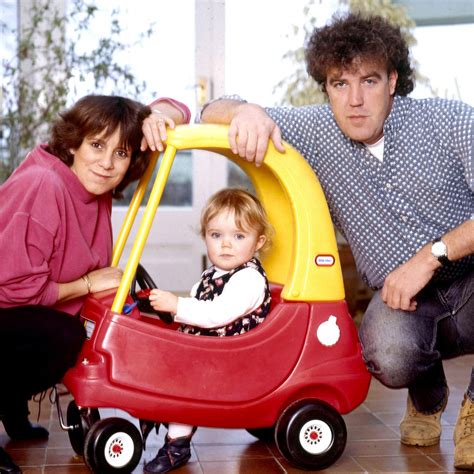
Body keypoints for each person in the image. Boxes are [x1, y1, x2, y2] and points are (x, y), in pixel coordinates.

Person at [200, 13, 474, 471]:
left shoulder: (451, 122)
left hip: (470, 281)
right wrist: (245, 113)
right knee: (387, 351)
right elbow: (211, 111)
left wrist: (432, 255)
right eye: (339, 83)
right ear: (325, 88)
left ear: (392, 81)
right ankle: (427, 395)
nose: (355, 100)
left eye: (368, 80)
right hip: (403, 301)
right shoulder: (314, 129)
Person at [0, 94, 190, 474]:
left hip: (17, 309)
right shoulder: (45, 185)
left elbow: (180, 107)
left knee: (71, 327)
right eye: (97, 145)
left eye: (120, 153)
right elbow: (14, 289)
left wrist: (160, 116)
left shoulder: (90, 186)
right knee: (62, 335)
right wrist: (88, 282)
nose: (106, 163)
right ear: (73, 143)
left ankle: (12, 407)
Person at [143, 188, 273, 474]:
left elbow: (217, 314)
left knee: (181, 381)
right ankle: (152, 410)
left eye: (238, 236)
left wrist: (177, 304)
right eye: (216, 235)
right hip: (210, 349)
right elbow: (196, 308)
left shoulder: (249, 279)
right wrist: (170, 307)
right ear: (205, 237)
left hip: (232, 359)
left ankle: (176, 445)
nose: (226, 245)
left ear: (258, 242)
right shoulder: (211, 274)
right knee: (154, 350)